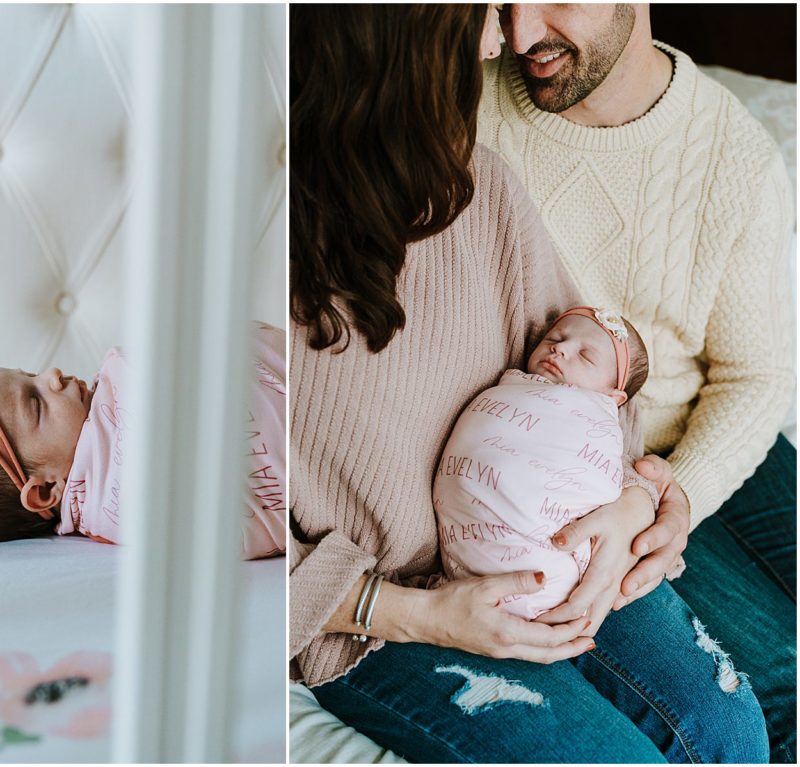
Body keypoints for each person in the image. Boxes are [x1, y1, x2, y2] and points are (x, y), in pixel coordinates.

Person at [290, 4, 767, 763]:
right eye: (487, 12)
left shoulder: (480, 186)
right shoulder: (255, 249)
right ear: (410, 40)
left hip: (548, 543)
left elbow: (605, 388)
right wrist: (423, 613)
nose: (500, 42)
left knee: (735, 732)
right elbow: (214, 556)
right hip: (379, 619)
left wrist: (635, 498)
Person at [477, 4, 796, 759]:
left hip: (700, 446)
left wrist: (667, 491)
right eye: (505, 3)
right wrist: (627, 501)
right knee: (782, 688)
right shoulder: (467, 111)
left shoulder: (736, 156)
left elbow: (754, 375)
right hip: (573, 471)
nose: (523, 36)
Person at [0, 323, 286, 559]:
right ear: (44, 490)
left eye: (31, 374)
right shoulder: (114, 506)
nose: (52, 376)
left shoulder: (110, 397)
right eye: (36, 402)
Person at [435, 307, 659, 619]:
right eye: (555, 337)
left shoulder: (597, 420)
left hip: (561, 575)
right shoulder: (512, 388)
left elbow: (598, 479)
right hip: (466, 552)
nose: (560, 348)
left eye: (586, 356)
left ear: (614, 398)